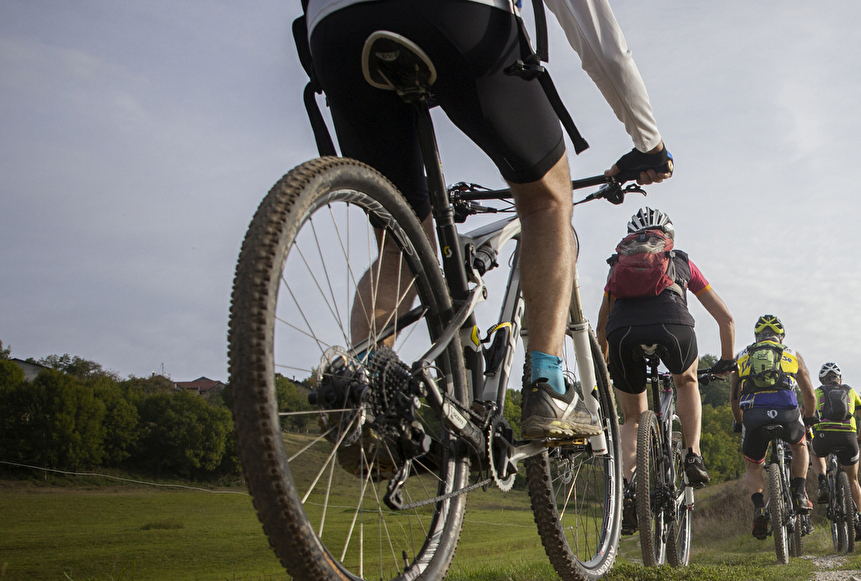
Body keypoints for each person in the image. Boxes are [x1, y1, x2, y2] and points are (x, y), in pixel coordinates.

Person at [304, 0, 673, 441]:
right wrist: (647, 141)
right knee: (547, 203)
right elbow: (602, 44)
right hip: (459, 18)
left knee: (402, 243)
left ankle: (362, 396)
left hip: (334, 29)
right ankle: (547, 386)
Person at [595, 207, 735, 534]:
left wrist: (605, 364)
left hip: (623, 333)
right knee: (686, 381)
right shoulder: (681, 261)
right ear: (668, 237)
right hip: (673, 326)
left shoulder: (618, 265)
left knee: (631, 418)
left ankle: (628, 487)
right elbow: (725, 318)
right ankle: (693, 455)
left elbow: (603, 325)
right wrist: (726, 361)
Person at [730, 315, 816, 539]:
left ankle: (759, 508)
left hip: (754, 414)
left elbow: (734, 397)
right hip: (787, 412)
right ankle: (799, 494)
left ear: (757, 337)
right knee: (799, 446)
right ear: (781, 337)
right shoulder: (791, 354)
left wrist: (740, 423)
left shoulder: (742, 355)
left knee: (753, 465)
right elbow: (810, 394)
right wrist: (809, 420)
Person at [809, 362, 861, 542]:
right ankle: (859, 521)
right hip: (848, 437)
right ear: (840, 379)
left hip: (824, 435)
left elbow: (804, 414)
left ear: (822, 380)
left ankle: (822, 483)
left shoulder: (817, 392)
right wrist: (860, 439)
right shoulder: (850, 391)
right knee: (853, 480)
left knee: (816, 451)